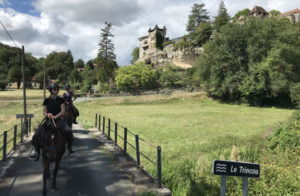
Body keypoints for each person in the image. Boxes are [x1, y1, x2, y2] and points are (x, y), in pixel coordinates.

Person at [31, 83, 74, 160]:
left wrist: (55, 116)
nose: (57, 90)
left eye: (57, 89)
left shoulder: (61, 100)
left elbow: (63, 111)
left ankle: (70, 148)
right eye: (55, 89)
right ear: (50, 90)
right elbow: (44, 112)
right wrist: (48, 114)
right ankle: (35, 151)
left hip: (59, 121)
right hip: (48, 122)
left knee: (69, 131)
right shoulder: (46, 100)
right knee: (36, 134)